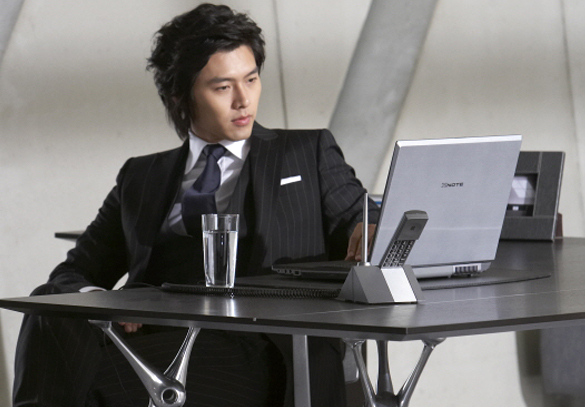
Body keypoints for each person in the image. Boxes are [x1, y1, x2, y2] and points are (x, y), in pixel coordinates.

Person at [12, 3, 379, 406]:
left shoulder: (306, 152)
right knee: (49, 304)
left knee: (84, 383)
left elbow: (362, 216)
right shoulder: (141, 177)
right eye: (222, 88)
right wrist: (107, 302)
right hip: (155, 335)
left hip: (258, 345)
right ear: (180, 96)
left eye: (251, 79)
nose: (243, 100)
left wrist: (371, 227)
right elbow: (73, 273)